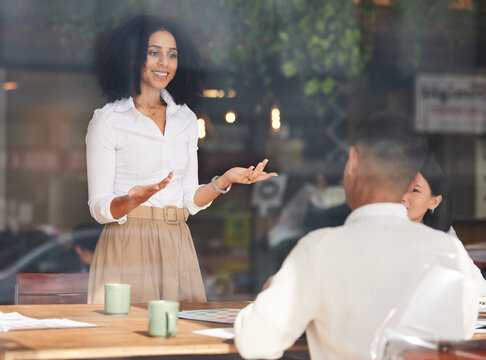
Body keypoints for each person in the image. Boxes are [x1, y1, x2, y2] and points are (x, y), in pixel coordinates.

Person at [234, 113, 482, 360]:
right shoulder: (450, 252)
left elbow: (254, 342)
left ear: (353, 163)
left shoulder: (319, 251)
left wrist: (271, 293)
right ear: (411, 182)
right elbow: (463, 330)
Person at [86, 15, 276, 304]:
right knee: (128, 341)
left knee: (182, 340)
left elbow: (188, 199)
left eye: (172, 55)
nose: (164, 63)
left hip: (176, 241)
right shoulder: (108, 120)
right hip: (128, 241)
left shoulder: (185, 119)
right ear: (134, 55)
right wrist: (131, 200)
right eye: (154, 53)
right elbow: (99, 206)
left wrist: (225, 181)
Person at [402, 157, 453, 233]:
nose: (402, 197)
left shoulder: (443, 236)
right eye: (399, 188)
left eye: (415, 190)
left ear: (434, 202)